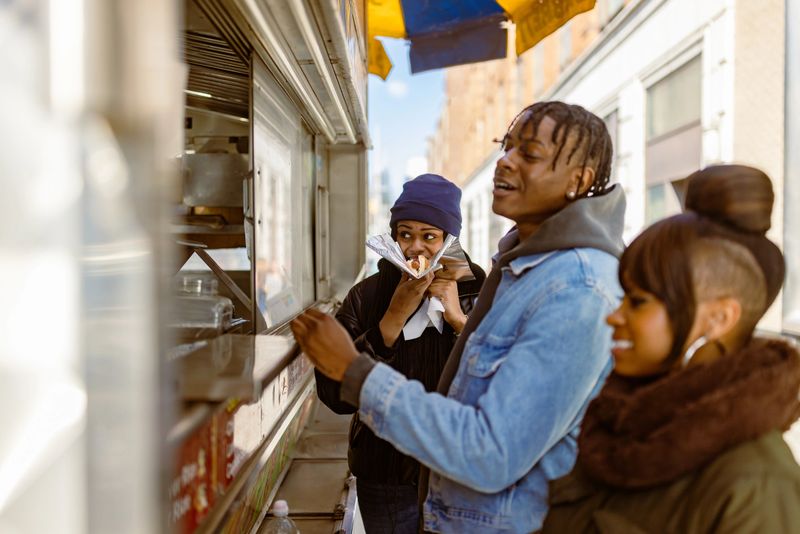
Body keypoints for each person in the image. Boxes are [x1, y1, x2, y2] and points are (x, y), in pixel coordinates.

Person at [292, 101, 626, 533]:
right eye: (506, 147)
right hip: (415, 495)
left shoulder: (575, 287)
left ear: (578, 180)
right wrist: (388, 322)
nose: (504, 161)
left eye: (529, 153)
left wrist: (357, 369)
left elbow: (491, 452)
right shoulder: (519, 270)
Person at [541, 165, 800, 533]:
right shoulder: (626, 425)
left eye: (639, 301)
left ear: (718, 319)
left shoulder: (756, 483)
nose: (615, 317)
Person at [315, 174, 486, 533]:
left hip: (458, 473)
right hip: (386, 473)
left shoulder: (481, 291)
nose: (415, 249)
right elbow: (334, 395)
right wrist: (391, 319)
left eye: (429, 236)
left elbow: (499, 382)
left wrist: (458, 319)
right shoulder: (366, 296)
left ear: (449, 239)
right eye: (404, 234)